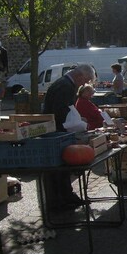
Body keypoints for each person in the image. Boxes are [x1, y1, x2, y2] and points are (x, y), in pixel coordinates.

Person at [42, 63, 96, 211]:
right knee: (60, 167)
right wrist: (76, 123)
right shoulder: (65, 86)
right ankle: (60, 200)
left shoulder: (64, 84)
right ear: (79, 76)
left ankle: (66, 196)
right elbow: (61, 113)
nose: (84, 84)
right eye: (85, 80)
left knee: (63, 167)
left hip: (58, 130)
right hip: (57, 132)